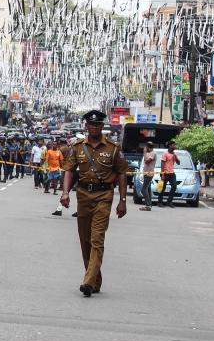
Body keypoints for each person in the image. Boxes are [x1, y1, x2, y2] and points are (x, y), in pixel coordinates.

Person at [59, 110, 129, 297]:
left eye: (98, 124)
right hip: (83, 196)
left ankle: (88, 282)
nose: (95, 127)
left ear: (102, 126)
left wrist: (122, 200)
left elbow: (122, 174)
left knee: (97, 238)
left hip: (103, 196)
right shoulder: (78, 146)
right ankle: (95, 279)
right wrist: (65, 193)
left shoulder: (114, 148)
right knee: (85, 240)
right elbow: (68, 170)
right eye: (91, 124)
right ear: (87, 126)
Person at [158, 141, 179, 208]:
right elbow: (162, 163)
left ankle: (169, 202)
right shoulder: (165, 153)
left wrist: (175, 157)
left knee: (174, 186)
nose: (175, 146)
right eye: (173, 145)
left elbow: (178, 163)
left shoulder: (175, 153)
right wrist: (163, 174)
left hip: (171, 173)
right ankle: (160, 202)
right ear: (170, 146)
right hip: (165, 173)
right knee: (162, 188)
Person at [139, 141, 156, 211]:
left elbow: (146, 161)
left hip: (149, 173)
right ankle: (149, 204)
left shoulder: (153, 153)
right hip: (146, 173)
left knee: (143, 189)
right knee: (148, 189)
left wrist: (144, 153)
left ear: (147, 147)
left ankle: (148, 205)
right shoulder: (150, 153)